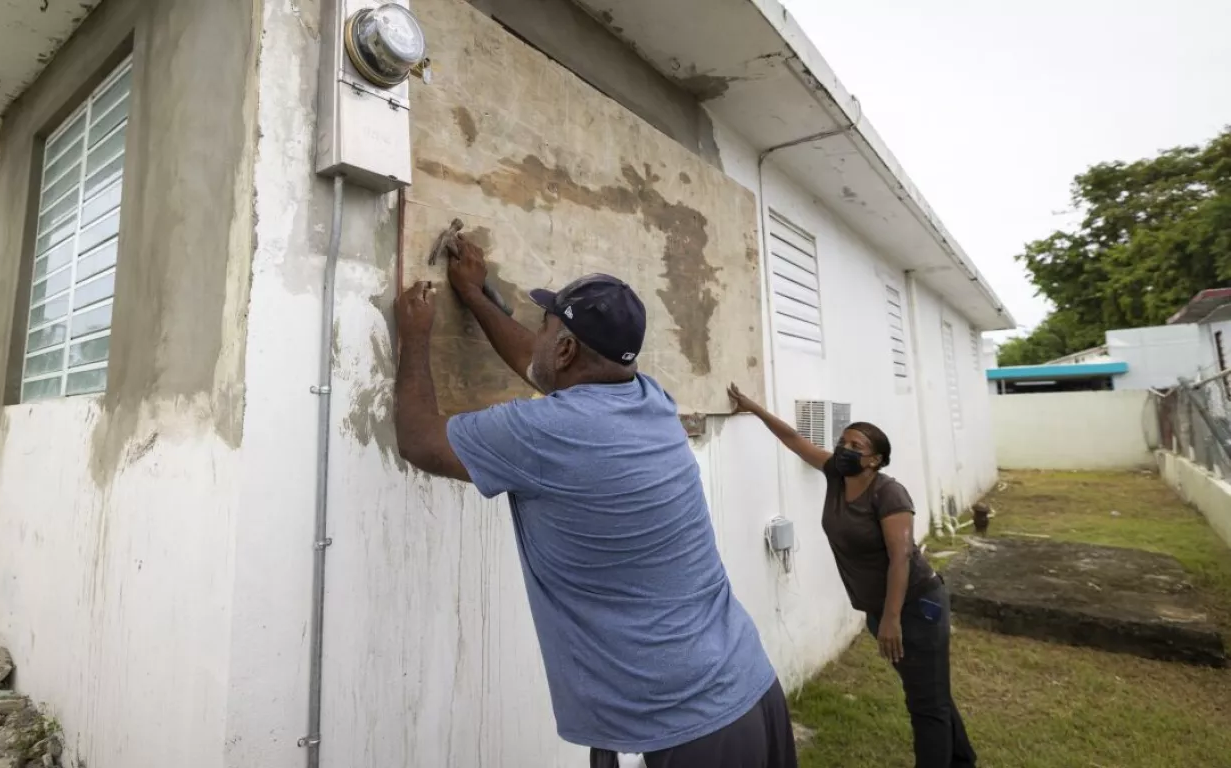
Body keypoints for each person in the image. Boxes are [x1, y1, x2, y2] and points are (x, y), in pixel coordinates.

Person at [392, 235, 798, 768]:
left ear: (564, 349)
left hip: (688, 731)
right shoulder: (649, 399)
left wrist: (415, 336)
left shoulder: (546, 433)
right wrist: (474, 297)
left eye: (547, 326)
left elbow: (420, 440)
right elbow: (537, 366)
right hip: (749, 688)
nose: (537, 336)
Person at [727, 384, 975, 768]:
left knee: (926, 704)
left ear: (875, 460)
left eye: (855, 446)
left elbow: (901, 558)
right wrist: (752, 407)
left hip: (915, 606)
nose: (845, 450)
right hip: (882, 609)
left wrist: (892, 619)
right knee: (929, 692)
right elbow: (793, 438)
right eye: (843, 442)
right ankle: (962, 760)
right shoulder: (835, 476)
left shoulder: (889, 494)